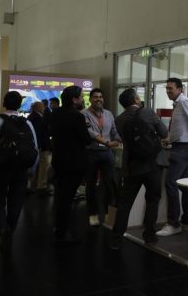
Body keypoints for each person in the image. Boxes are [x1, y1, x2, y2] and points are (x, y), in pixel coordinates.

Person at [108, 88, 167, 250]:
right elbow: (164, 132)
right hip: (153, 163)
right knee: (153, 200)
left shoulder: (119, 119)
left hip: (131, 165)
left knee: (125, 202)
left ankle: (116, 239)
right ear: (135, 100)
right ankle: (149, 235)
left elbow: (123, 140)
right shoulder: (148, 112)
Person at [0, 91, 38, 249]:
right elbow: (34, 148)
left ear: (3, 103)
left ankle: (3, 227)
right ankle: (10, 229)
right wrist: (32, 168)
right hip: (21, 168)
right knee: (16, 200)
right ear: (19, 105)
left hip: (1, 167)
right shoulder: (27, 123)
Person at [157, 77, 188, 237]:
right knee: (184, 185)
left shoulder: (184, 102)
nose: (168, 91)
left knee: (170, 183)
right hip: (178, 146)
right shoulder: (178, 104)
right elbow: (180, 128)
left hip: (182, 149)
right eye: (167, 88)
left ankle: (173, 223)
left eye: (171, 89)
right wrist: (169, 139)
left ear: (180, 89)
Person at [50, 86, 92, 244]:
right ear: (74, 99)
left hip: (59, 160)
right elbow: (85, 140)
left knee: (61, 196)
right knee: (67, 198)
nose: (82, 100)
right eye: (81, 97)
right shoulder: (77, 116)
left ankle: (59, 228)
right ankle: (63, 231)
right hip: (75, 163)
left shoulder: (56, 113)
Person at [82, 88, 121, 226]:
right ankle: (92, 214)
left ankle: (106, 212)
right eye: (95, 97)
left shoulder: (109, 114)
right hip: (91, 153)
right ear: (90, 99)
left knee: (110, 183)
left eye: (100, 97)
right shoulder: (84, 114)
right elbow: (90, 133)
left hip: (106, 153)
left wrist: (120, 139)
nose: (99, 99)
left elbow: (114, 131)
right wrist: (107, 142)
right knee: (91, 185)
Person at [28, 101, 52, 194]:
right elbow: (39, 133)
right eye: (42, 106)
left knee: (38, 165)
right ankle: (41, 186)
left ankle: (34, 185)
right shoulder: (37, 118)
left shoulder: (33, 117)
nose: (44, 108)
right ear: (37, 107)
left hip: (39, 145)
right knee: (43, 165)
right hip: (41, 146)